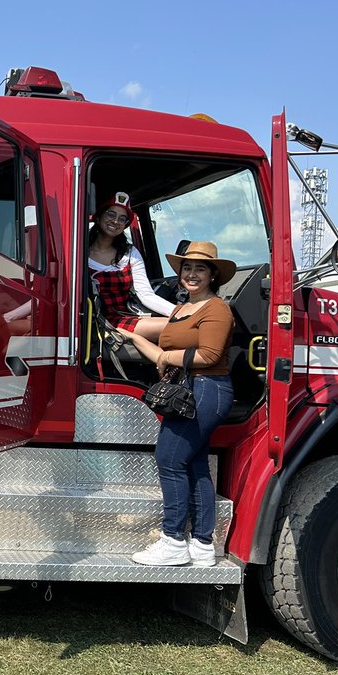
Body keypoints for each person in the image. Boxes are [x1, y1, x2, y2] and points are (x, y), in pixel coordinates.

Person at [118, 242, 236, 567]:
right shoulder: (180, 310)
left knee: (168, 460)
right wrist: (133, 339)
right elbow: (162, 357)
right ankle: (201, 545)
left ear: (213, 275)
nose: (192, 274)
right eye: (187, 268)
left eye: (200, 268)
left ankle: (172, 540)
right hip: (188, 389)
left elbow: (209, 356)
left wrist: (168, 356)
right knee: (195, 465)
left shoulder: (216, 309)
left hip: (207, 390)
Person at [89, 191, 175, 342]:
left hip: (125, 317)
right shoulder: (79, 251)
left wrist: (177, 312)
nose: (116, 221)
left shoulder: (130, 252)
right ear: (99, 216)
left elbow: (145, 295)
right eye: (111, 214)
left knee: (183, 324)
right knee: (182, 327)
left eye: (122, 219)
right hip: (95, 323)